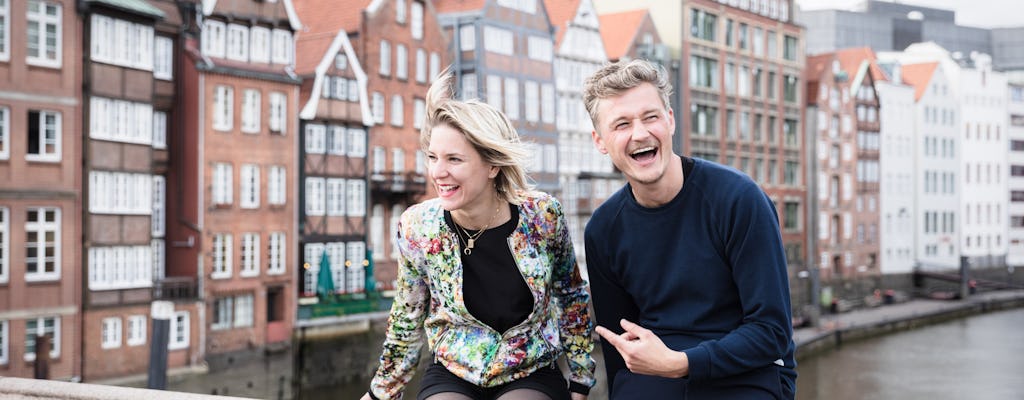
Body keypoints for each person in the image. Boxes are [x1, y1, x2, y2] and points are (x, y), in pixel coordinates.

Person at [360, 70, 595, 400]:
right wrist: (380, 392)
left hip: (529, 368)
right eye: (432, 158)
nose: (438, 172)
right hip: (454, 370)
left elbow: (570, 296)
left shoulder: (542, 216)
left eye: (454, 159)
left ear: (492, 165)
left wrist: (581, 378)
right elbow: (406, 318)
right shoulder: (418, 227)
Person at [581, 59, 797, 399]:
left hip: (747, 373)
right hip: (656, 378)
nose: (640, 133)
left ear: (670, 120)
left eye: (650, 117)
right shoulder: (604, 230)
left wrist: (681, 363)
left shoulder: (738, 199)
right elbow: (619, 351)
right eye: (621, 124)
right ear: (600, 141)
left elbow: (771, 331)